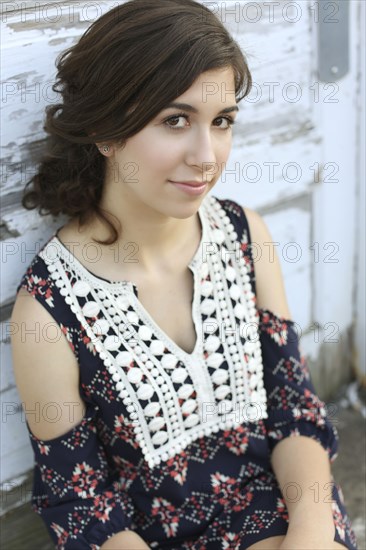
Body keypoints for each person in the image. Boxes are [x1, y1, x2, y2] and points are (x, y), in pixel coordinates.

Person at [10, 0, 357, 549]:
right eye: (176, 120)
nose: (206, 155)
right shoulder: (51, 311)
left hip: (285, 510)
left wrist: (311, 538)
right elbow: (82, 505)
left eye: (221, 122)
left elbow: (294, 411)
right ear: (105, 131)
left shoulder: (246, 236)